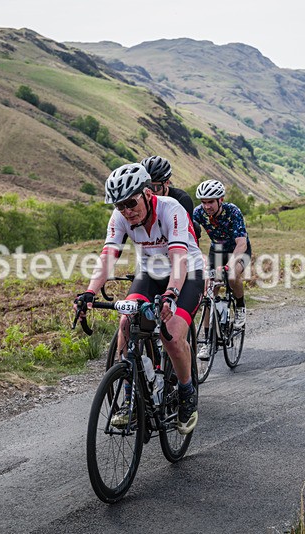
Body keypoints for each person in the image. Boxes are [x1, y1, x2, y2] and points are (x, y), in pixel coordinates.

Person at [73, 163, 203, 435]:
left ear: (146, 193)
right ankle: (130, 399)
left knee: (172, 336)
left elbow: (179, 256)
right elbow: (108, 254)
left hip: (186, 274)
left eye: (131, 203)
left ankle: (186, 391)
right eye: (120, 206)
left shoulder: (171, 209)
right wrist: (89, 292)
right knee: (126, 323)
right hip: (150, 272)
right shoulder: (120, 216)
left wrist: (171, 294)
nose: (127, 211)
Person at [192, 179, 252, 358]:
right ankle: (208, 341)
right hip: (216, 250)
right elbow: (189, 236)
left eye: (211, 202)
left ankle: (240, 307)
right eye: (203, 202)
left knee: (232, 276)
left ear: (221, 200)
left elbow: (241, 243)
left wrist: (228, 265)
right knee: (210, 290)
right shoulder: (198, 213)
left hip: (238, 250)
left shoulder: (233, 211)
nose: (207, 206)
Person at [141, 155, 201, 241]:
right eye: (147, 187)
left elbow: (186, 235)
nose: (150, 192)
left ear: (167, 183)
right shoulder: (140, 199)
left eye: (155, 187)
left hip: (177, 240)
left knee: (195, 228)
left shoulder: (182, 200)